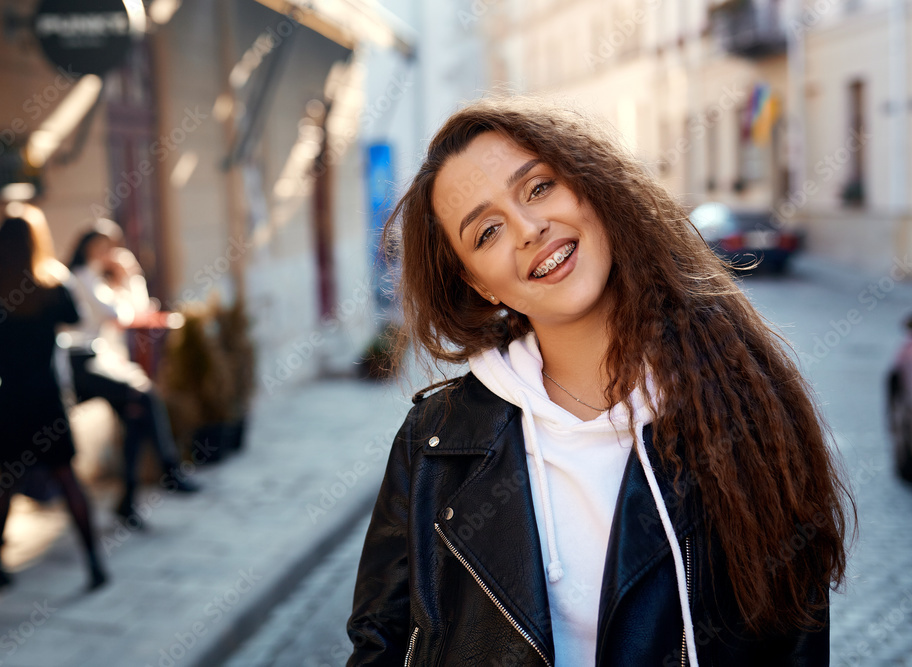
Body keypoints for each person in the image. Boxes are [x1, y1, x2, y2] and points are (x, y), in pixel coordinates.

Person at [345, 97, 852, 666]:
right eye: (487, 231)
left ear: (591, 185)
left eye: (538, 188)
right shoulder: (433, 445)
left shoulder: (741, 400)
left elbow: (795, 638)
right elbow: (380, 643)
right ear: (479, 284)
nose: (529, 228)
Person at [0, 203, 107, 592]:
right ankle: (94, 562)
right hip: (46, 398)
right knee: (66, 476)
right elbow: (75, 318)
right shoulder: (53, 287)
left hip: (7, 400)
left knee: (6, 480)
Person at [65, 219, 198, 522]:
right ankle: (168, 469)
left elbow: (139, 308)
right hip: (79, 363)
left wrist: (131, 277)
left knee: (136, 412)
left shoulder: (97, 277)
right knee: (144, 394)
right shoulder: (82, 276)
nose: (108, 253)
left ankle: (129, 498)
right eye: (102, 247)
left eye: (111, 247)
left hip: (99, 359)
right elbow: (116, 314)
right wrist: (123, 278)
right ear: (88, 247)